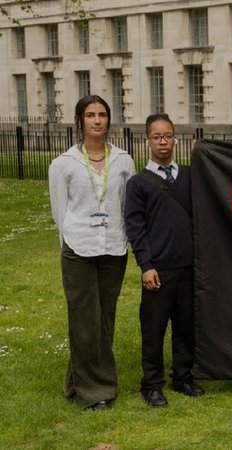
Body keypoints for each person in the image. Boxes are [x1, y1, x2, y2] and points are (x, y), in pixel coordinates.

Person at [48, 95, 135, 410]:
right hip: (79, 248)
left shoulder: (123, 160)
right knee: (84, 319)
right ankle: (97, 391)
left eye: (102, 114)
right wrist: (69, 240)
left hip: (113, 246)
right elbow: (60, 211)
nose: (97, 120)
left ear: (109, 120)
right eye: (90, 115)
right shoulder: (64, 164)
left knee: (103, 319)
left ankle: (75, 382)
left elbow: (129, 205)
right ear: (80, 120)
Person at [125, 113, 204, 407]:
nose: (163, 142)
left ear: (175, 139)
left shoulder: (187, 177)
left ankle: (183, 376)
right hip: (158, 269)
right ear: (148, 141)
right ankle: (152, 384)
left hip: (188, 266)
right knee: (154, 329)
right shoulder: (138, 184)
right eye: (157, 137)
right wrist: (146, 266)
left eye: (168, 136)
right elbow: (136, 228)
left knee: (185, 326)